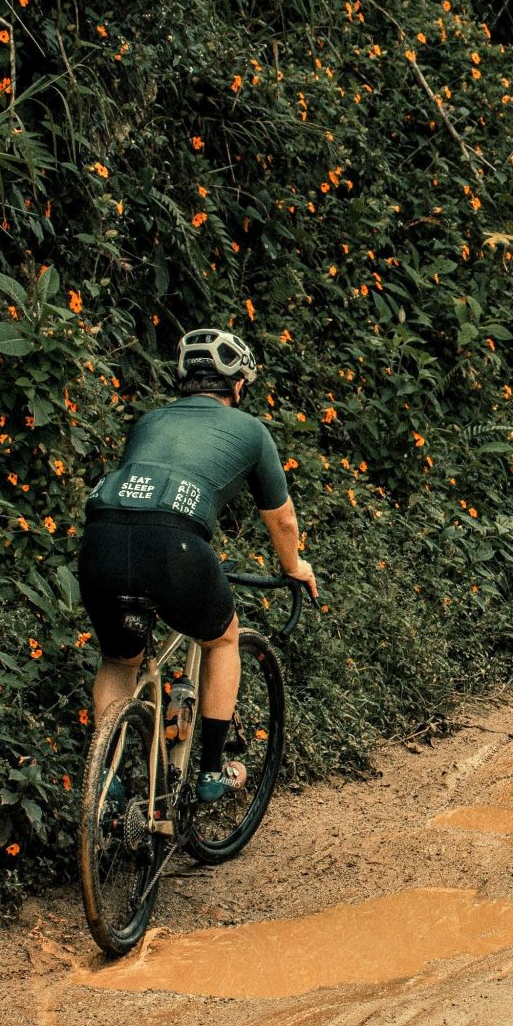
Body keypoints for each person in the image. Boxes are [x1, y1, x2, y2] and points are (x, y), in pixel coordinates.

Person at [79, 329, 318, 803]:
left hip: (101, 537)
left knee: (118, 660)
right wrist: (294, 566)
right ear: (238, 386)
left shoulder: (148, 421)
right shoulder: (250, 430)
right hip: (174, 543)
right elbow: (282, 518)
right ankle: (211, 769)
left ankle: (106, 787)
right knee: (223, 637)